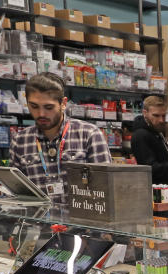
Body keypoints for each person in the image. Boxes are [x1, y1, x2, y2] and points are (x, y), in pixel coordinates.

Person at [10, 72, 111, 203]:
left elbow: (106, 187)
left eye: (49, 107)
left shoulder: (89, 134)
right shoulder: (19, 141)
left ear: (63, 103)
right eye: (34, 106)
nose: (41, 113)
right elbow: (17, 195)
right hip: (38, 222)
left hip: (80, 221)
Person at [130, 94, 168, 185]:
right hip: (154, 193)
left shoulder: (155, 131)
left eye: (163, 116)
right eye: (156, 115)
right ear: (145, 113)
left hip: (164, 190)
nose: (161, 120)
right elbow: (148, 168)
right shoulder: (140, 135)